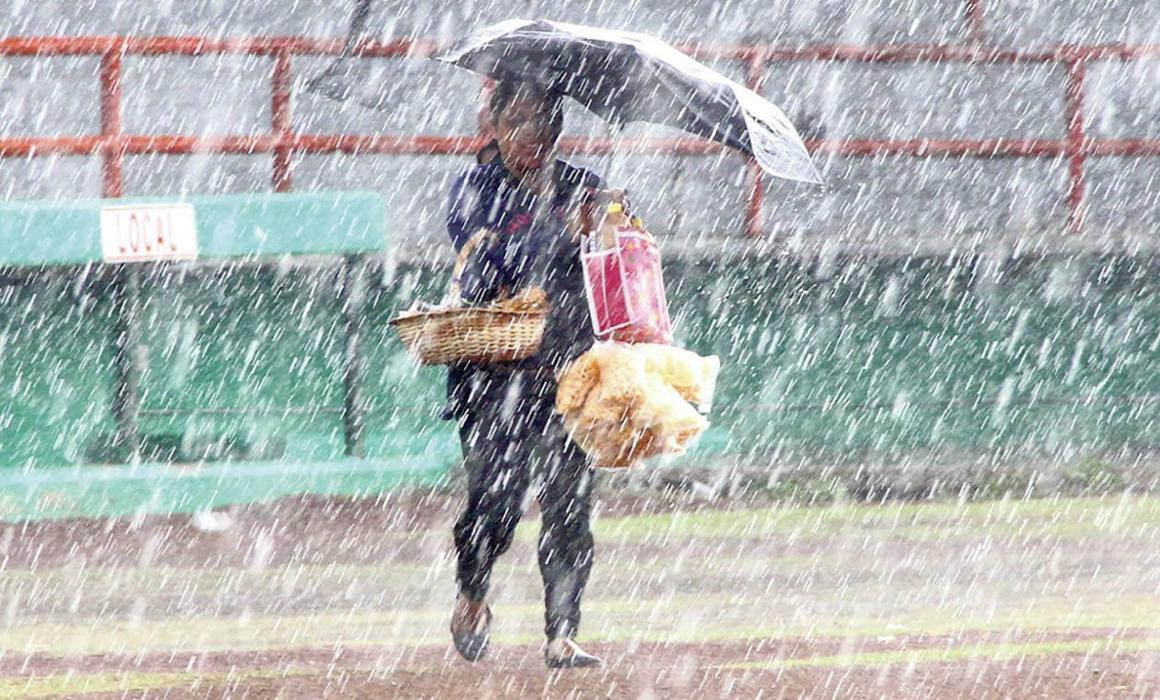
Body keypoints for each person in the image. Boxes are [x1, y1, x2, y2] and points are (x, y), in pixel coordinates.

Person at [442, 78, 616, 669]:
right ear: (493, 125)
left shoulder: (583, 188)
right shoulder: (474, 188)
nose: (531, 136)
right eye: (517, 121)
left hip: (568, 374)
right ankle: (472, 592)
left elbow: (618, 266)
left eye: (543, 123)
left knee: (571, 502)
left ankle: (561, 631)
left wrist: (611, 225)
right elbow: (484, 266)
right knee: (496, 501)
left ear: (559, 129)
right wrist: (555, 234)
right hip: (495, 377)